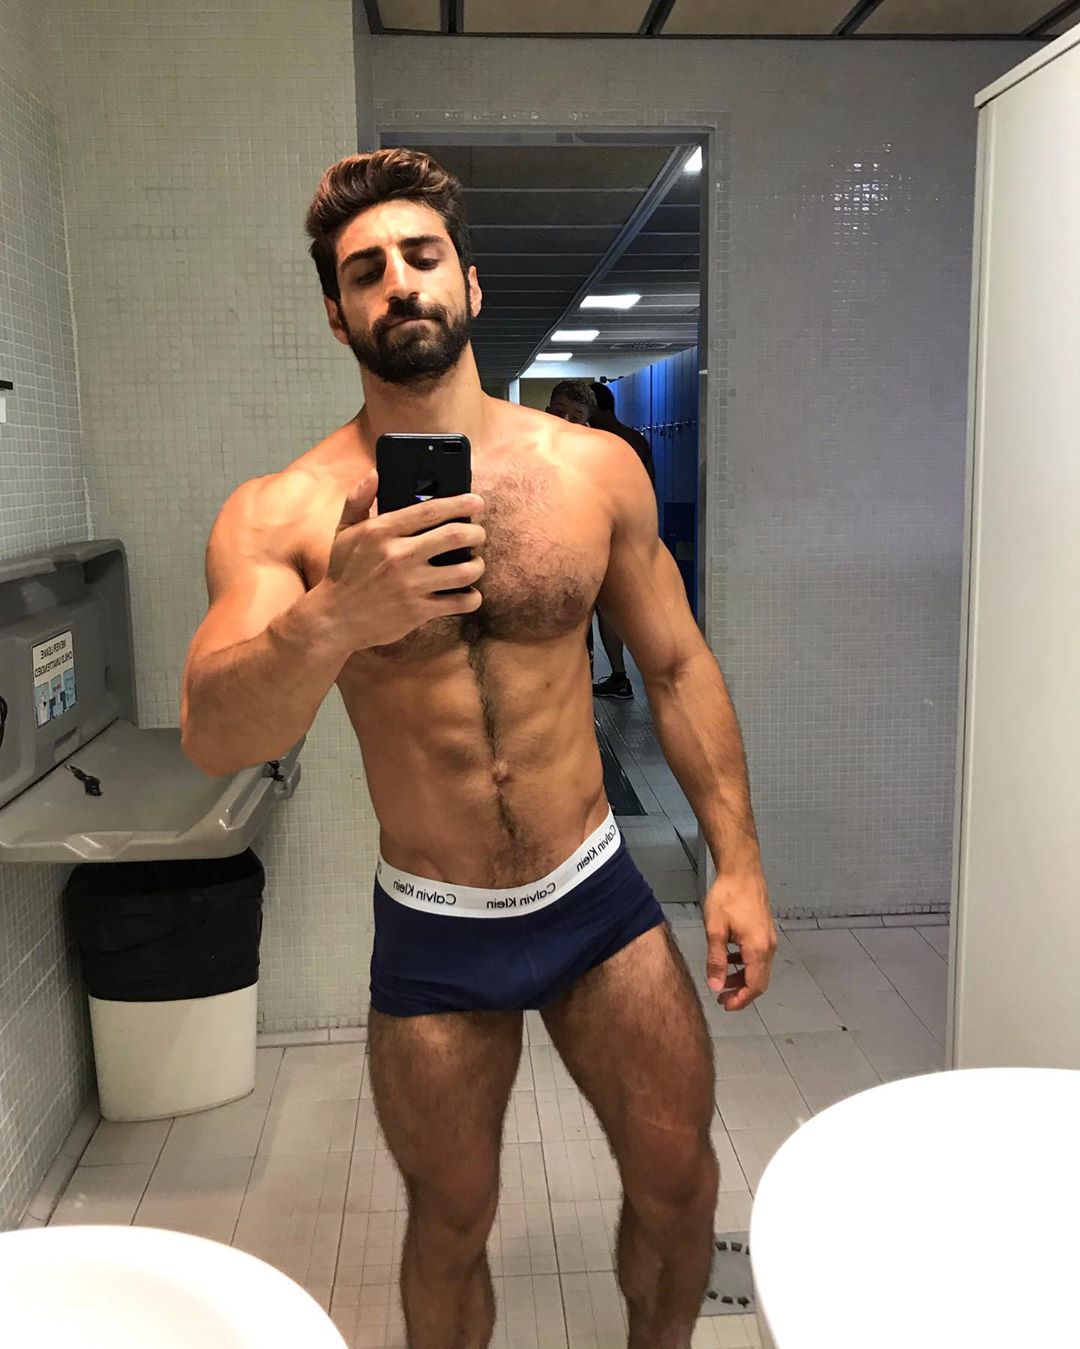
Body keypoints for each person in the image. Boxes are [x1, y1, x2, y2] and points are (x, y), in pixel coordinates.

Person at [180, 148, 776, 1349]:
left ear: (471, 283)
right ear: (336, 313)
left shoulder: (592, 470)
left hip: (595, 899)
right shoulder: (281, 513)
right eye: (366, 271)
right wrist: (335, 616)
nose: (399, 281)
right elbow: (215, 732)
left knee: (681, 1185)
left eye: (421, 255)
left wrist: (738, 861)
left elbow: (675, 666)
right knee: (449, 1223)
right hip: (435, 921)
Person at [589, 381, 656, 701]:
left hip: (605, 534)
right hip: (634, 532)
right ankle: (626, 677)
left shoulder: (599, 441)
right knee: (618, 610)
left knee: (604, 612)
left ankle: (618, 676)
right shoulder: (636, 439)